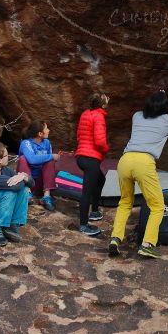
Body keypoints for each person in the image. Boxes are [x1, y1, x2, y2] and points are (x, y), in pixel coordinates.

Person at [109, 91, 168, 259]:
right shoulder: (167, 121)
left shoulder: (137, 116)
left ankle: (115, 238)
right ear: (165, 107)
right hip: (144, 163)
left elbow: (152, 108)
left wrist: (158, 96)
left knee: (125, 202)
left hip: (125, 161)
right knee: (157, 206)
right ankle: (147, 244)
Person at [74, 92, 110, 236]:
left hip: (81, 157)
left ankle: (94, 211)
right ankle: (83, 225)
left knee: (101, 180)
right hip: (91, 159)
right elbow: (100, 141)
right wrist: (106, 149)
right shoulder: (99, 116)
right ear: (102, 104)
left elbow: (78, 135)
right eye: (105, 99)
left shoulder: (85, 114)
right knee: (86, 192)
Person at [18, 120, 59, 211]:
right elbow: (31, 159)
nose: (48, 130)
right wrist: (51, 156)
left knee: (50, 161)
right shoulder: (26, 143)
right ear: (40, 133)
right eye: (46, 128)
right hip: (29, 182)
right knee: (23, 159)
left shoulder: (47, 142)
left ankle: (46, 197)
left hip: (40, 184)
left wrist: (50, 157)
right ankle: (27, 193)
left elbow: (48, 162)